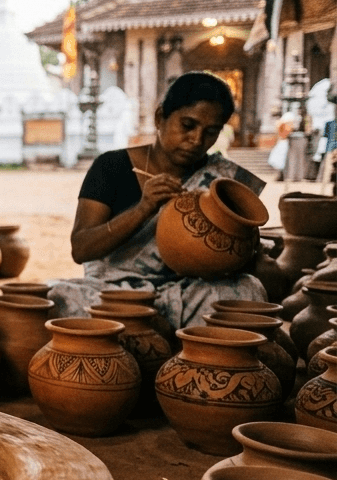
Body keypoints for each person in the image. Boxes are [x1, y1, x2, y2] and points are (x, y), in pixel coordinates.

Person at [49, 71, 267, 328]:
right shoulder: (111, 167)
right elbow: (81, 249)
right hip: (114, 293)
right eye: (187, 125)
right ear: (159, 117)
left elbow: (241, 261)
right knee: (58, 296)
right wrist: (143, 209)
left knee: (248, 290)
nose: (197, 140)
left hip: (190, 291)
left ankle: (181, 344)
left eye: (211, 132)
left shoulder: (223, 181)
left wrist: (245, 250)